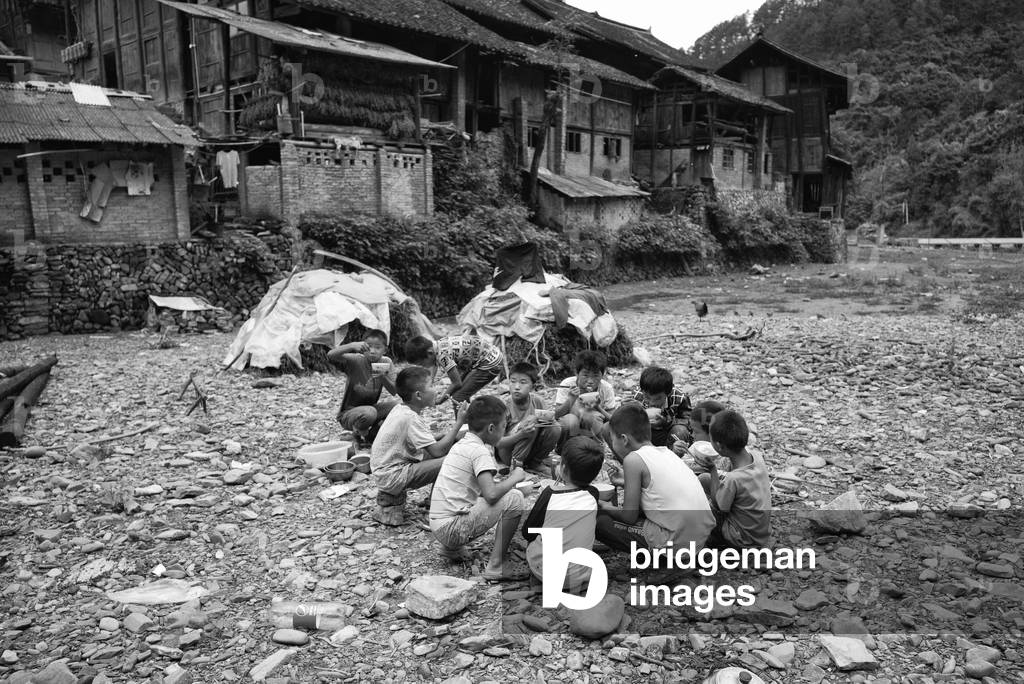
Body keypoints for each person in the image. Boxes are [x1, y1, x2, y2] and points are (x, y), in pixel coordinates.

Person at [429, 396, 529, 580]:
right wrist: (515, 477)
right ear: (491, 428)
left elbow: (482, 491)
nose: (504, 431)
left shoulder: (462, 444)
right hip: (450, 529)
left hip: (437, 524)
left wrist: (504, 482)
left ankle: (451, 549)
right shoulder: (480, 451)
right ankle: (496, 566)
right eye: (503, 426)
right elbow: (490, 495)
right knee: (515, 498)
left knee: (504, 494)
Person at [595, 404, 715, 553]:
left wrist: (605, 506)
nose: (612, 444)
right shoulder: (667, 453)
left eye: (612, 439)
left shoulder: (633, 459)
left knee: (599, 521)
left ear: (624, 439)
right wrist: (628, 483)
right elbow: (657, 493)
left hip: (678, 544)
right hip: (701, 538)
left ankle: (660, 559)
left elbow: (629, 516)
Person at [370, 366, 467, 501]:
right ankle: (439, 502)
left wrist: (448, 435)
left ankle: (434, 499)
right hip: (392, 476)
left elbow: (423, 441)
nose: (436, 390)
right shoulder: (410, 417)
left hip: (385, 472)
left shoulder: (401, 408)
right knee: (456, 459)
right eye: (431, 386)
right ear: (418, 395)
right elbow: (437, 451)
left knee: (454, 441)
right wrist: (459, 423)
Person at [522, 436, 604, 592]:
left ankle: (539, 576)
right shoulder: (593, 494)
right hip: (580, 575)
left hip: (547, 574)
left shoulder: (550, 493)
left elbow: (527, 532)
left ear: (563, 468)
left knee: (533, 541)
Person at [695, 410, 771, 549]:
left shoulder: (733, 479)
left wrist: (712, 470)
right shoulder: (757, 457)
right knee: (704, 479)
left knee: (700, 505)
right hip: (761, 533)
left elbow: (720, 507)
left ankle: (711, 540)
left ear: (719, 446)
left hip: (741, 538)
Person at [328, 329, 397, 448]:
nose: (373, 351)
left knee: (398, 407)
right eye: (369, 347)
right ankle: (357, 433)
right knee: (370, 412)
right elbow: (330, 355)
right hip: (348, 415)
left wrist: (382, 377)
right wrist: (351, 345)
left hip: (371, 410)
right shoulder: (356, 360)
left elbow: (394, 391)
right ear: (362, 347)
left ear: (385, 350)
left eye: (377, 348)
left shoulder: (386, 362)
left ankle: (371, 435)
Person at [496, 361, 561, 476]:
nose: (516, 387)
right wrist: (520, 434)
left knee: (554, 427)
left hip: (530, 449)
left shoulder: (538, 401)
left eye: (523, 382)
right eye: (513, 381)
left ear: (532, 386)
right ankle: (516, 466)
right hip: (508, 453)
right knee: (531, 422)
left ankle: (535, 464)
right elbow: (498, 443)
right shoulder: (503, 406)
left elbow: (551, 422)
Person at [405, 334, 505, 406]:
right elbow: (433, 367)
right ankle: (468, 422)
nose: (424, 367)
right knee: (461, 393)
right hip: (488, 356)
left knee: (457, 397)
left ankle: (463, 428)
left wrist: (441, 399)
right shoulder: (437, 345)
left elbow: (457, 383)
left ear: (429, 353)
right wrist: (429, 385)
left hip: (491, 362)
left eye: (422, 364)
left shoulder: (442, 355)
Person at [554, 350, 620, 450]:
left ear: (603, 375)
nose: (590, 381)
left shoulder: (606, 388)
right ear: (577, 373)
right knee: (569, 422)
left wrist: (598, 408)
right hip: (572, 423)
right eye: (585, 375)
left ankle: (595, 450)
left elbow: (612, 419)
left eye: (596, 375)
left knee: (591, 417)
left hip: (593, 427)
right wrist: (571, 399)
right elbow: (556, 415)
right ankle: (565, 450)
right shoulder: (567, 384)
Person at [623, 366, 692, 448]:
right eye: (647, 397)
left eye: (658, 398)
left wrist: (666, 422)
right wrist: (624, 411)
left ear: (668, 393)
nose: (652, 403)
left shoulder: (679, 398)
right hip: (645, 436)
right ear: (642, 391)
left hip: (667, 436)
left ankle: (671, 457)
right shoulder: (636, 396)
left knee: (680, 430)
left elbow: (688, 422)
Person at [673, 399, 730, 473]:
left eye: (696, 432)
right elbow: (680, 464)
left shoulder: (728, 456)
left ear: (713, 433)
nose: (692, 435)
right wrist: (676, 454)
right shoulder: (698, 447)